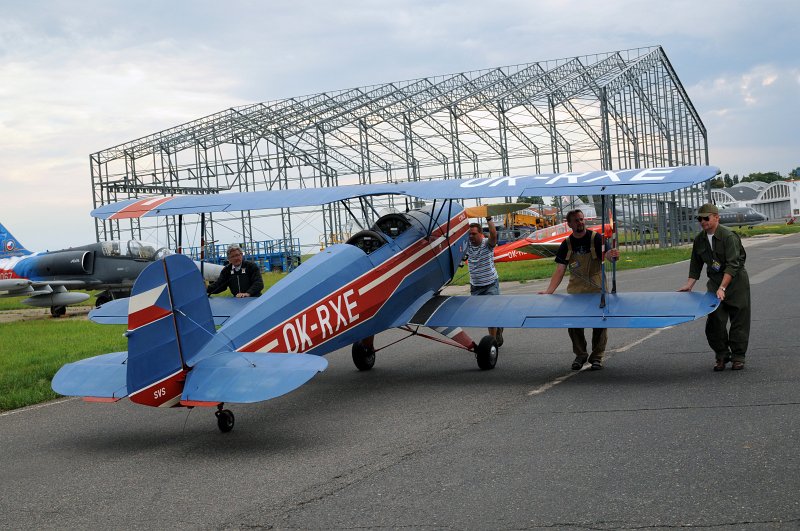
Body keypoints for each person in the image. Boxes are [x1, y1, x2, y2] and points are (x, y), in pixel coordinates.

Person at [538, 209, 619, 370]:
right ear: (569, 224)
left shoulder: (597, 238)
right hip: (576, 291)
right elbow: (560, 269)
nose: (580, 222)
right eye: (576, 220)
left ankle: (597, 357)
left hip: (597, 288)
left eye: (581, 219)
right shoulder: (566, 244)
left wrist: (613, 255)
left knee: (600, 323)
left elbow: (609, 255)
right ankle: (580, 354)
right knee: (574, 324)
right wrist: (549, 291)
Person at [678, 203, 750, 371]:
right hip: (715, 283)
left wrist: (723, 288)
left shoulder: (728, 236)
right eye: (699, 219)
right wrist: (689, 285)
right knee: (715, 321)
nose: (703, 221)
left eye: (706, 218)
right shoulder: (700, 239)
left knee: (739, 320)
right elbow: (696, 263)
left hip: (736, 282)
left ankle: (738, 357)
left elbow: (733, 264)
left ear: (716, 217)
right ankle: (722, 355)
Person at [464, 216, 503, 346]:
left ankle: (491, 343)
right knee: (482, 315)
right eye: (469, 234)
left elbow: (493, 235)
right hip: (475, 286)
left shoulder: (487, 244)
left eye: (474, 234)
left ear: (481, 234)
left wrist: (489, 219)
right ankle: (498, 329)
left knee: (490, 314)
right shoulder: (467, 245)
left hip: (490, 284)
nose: (471, 236)